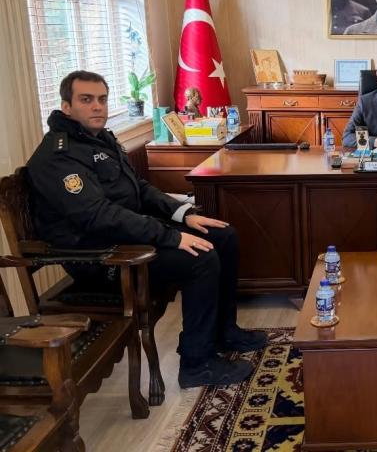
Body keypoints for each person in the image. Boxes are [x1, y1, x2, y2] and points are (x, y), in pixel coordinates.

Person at [26, 70, 268, 389]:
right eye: (86, 100)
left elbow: (138, 188)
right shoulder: (59, 157)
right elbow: (99, 216)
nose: (97, 106)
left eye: (102, 99)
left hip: (126, 236)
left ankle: (224, 332)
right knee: (200, 259)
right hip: (100, 256)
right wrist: (171, 236)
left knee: (223, 237)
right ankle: (197, 363)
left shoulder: (99, 139)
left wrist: (183, 215)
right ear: (66, 106)